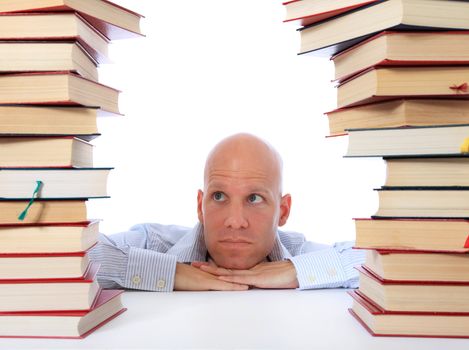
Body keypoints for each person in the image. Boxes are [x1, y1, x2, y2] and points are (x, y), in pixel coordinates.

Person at [89, 133, 365, 291]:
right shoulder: (155, 244)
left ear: (282, 211)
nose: (235, 222)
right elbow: (76, 253)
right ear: (201, 206)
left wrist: (296, 272)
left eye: (254, 198)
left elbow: (384, 258)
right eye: (219, 196)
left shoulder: (300, 255)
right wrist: (170, 273)